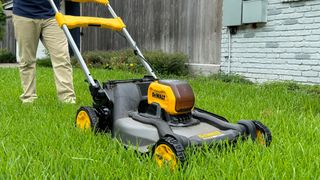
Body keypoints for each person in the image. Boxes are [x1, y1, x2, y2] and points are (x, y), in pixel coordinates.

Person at [12, 0, 76, 104]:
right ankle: (28, 99)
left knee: (62, 57)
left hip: (52, 15)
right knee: (27, 60)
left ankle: (67, 99)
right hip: (24, 14)